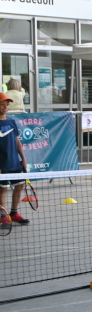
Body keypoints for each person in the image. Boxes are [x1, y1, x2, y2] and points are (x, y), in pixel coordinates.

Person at [0, 92, 30, 225]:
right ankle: (3, 216)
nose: (6, 106)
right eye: (2, 104)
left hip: (14, 162)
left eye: (7, 104)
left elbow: (17, 140)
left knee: (19, 186)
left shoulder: (11, 121)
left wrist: (23, 158)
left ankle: (14, 213)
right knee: (3, 189)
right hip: (2, 164)